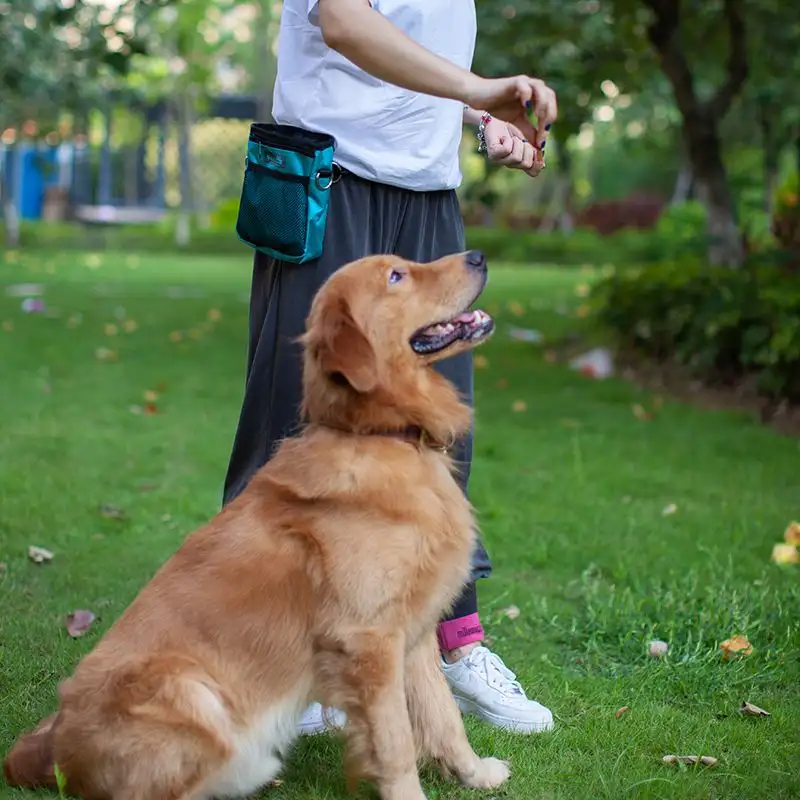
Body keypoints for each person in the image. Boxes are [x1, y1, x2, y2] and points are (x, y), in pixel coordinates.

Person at [223, 0, 558, 736]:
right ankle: (268, 659)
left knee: (440, 433)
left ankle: (456, 647)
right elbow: (343, 23)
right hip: (327, 176)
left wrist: (477, 120)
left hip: (428, 188)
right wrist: (479, 89)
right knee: (294, 423)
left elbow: (417, 44)